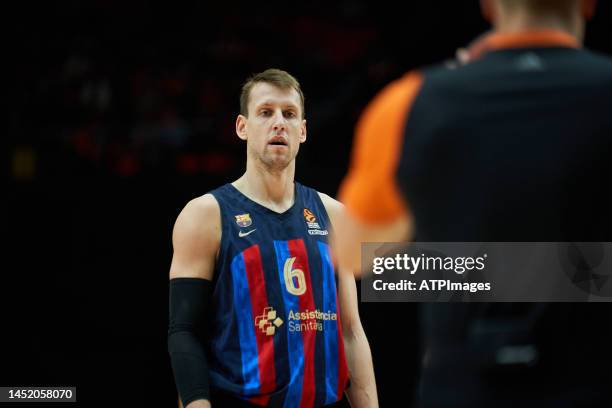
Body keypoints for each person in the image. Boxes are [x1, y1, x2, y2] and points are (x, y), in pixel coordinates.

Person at [336, 0, 612, 406]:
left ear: (488, 5)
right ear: (588, 5)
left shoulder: (412, 102)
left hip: (465, 386)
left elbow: (354, 254)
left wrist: (474, 271)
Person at [168, 69, 378, 408]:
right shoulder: (205, 214)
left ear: (303, 131)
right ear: (242, 127)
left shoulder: (335, 215)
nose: (278, 122)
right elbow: (184, 332)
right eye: (265, 112)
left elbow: (350, 332)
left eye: (289, 114)